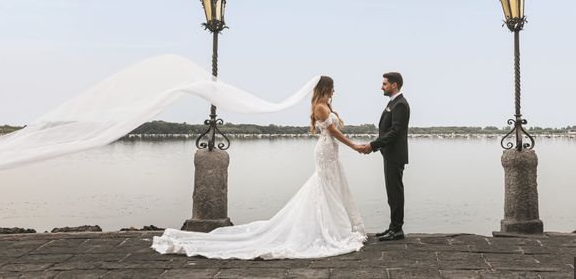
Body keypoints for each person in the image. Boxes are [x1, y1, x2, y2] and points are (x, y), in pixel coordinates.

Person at [152, 75, 368, 259]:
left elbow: (335, 129)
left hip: (331, 151)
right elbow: (333, 132)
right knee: (325, 186)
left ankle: (332, 226)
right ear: (326, 88)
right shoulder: (320, 107)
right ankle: (329, 230)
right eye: (332, 87)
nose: (335, 90)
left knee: (331, 186)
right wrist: (355, 146)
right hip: (326, 150)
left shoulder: (327, 106)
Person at [355, 72, 410, 241]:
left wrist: (373, 145)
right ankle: (393, 227)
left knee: (395, 192)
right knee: (392, 193)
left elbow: (395, 132)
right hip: (390, 154)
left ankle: (397, 230)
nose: (382, 87)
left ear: (394, 85)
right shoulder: (393, 102)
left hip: (395, 154)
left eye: (385, 84)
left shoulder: (400, 104)